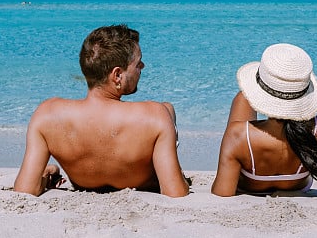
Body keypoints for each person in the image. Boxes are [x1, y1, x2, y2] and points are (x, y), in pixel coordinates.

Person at [14, 24, 190, 198]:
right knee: (168, 109)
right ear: (117, 75)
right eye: (137, 63)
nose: (142, 66)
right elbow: (175, 193)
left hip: (84, 182)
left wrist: (45, 177)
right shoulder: (155, 116)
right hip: (140, 182)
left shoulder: (47, 115)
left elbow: (25, 191)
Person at [211, 43, 317, 197]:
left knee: (243, 98)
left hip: (249, 177)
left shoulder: (238, 135)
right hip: (297, 184)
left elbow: (221, 193)